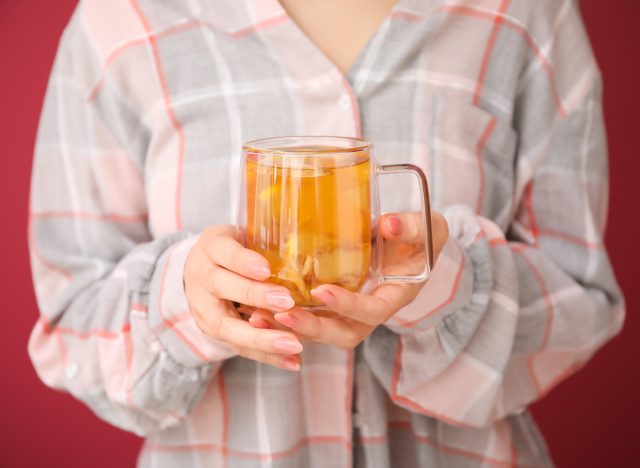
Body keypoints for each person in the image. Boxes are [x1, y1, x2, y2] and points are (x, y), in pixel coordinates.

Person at [28, 0, 624, 466]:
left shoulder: (528, 14)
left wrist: (441, 281)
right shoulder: (120, 21)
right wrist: (185, 297)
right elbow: (70, 322)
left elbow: (581, 299)